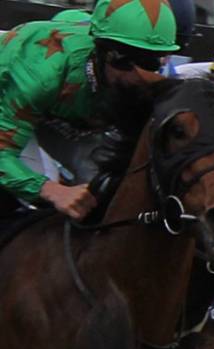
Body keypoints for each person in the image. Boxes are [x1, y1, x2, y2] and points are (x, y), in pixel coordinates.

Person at [0, 0, 182, 226]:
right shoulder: (42, 75)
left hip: (61, 111)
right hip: (13, 101)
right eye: (123, 61)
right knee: (31, 193)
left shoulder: (155, 82)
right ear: (100, 52)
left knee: (102, 192)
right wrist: (50, 190)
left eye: (149, 62)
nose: (135, 75)